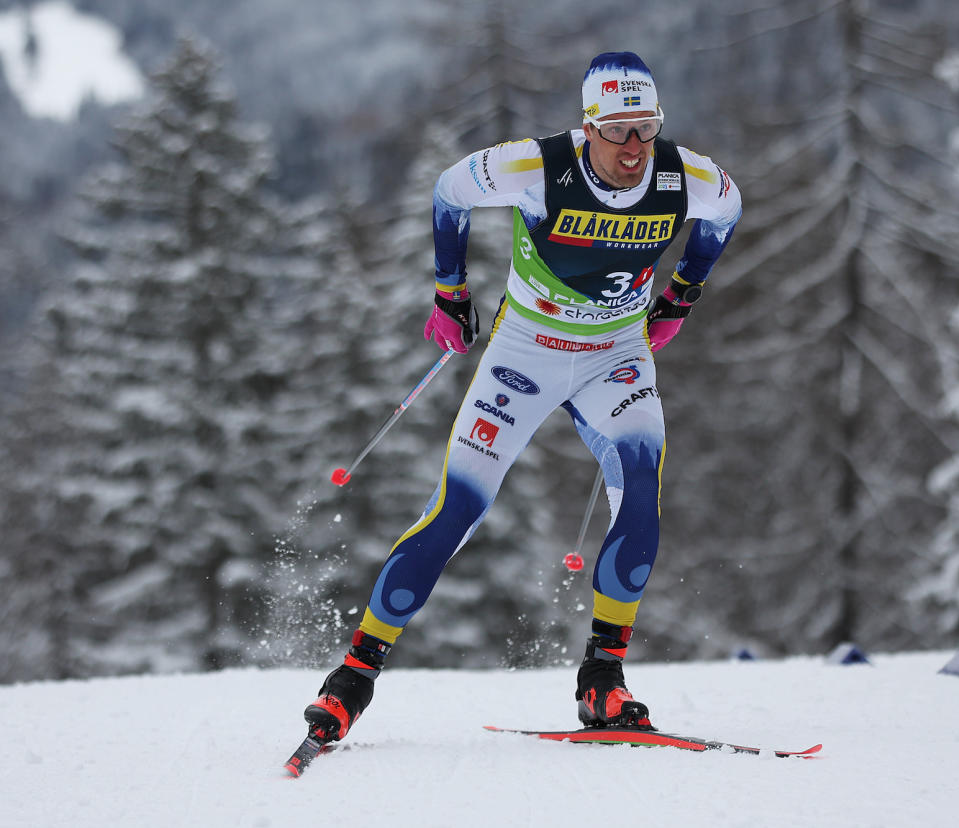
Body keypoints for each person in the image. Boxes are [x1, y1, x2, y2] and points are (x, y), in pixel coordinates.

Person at [302, 51, 742, 742]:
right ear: (588, 125)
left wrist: (680, 297)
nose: (634, 148)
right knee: (458, 508)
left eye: (646, 129)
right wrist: (450, 292)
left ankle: (604, 680)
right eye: (618, 131)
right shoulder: (537, 168)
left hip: (615, 356)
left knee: (640, 483)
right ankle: (351, 681)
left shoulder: (688, 178)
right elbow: (450, 191)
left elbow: (726, 213)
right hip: (526, 354)